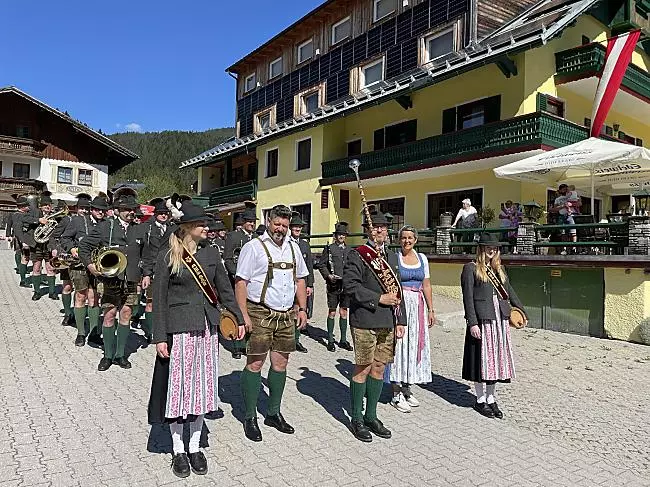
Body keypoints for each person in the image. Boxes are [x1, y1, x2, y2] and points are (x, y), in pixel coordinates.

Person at [148, 203, 244, 479]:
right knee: (179, 391)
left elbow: (225, 291)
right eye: (202, 224)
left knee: (202, 387)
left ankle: (195, 445)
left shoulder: (211, 253)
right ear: (188, 227)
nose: (207, 228)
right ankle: (178, 448)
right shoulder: (169, 255)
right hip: (179, 331)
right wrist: (159, 336)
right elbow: (159, 299)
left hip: (207, 330)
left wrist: (237, 319)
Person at [235, 205, 309, 442]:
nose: (281, 229)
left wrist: (302, 308)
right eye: (277, 224)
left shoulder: (293, 247)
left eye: (285, 225)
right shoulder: (253, 247)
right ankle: (249, 416)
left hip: (286, 314)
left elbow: (300, 279)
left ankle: (273, 413)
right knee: (255, 363)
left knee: (281, 363)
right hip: (259, 312)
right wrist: (243, 315)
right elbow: (241, 282)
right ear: (268, 221)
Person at [343, 208, 407, 442]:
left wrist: (401, 320)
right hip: (365, 319)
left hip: (387, 321)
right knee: (363, 367)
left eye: (383, 227)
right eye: (375, 227)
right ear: (367, 231)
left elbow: (398, 290)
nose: (379, 230)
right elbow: (350, 286)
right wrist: (379, 298)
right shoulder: (357, 254)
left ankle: (371, 415)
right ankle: (357, 418)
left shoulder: (392, 257)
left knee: (379, 368)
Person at [461, 233, 527, 419]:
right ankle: (480, 399)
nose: (492, 250)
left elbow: (509, 292)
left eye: (495, 248)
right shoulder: (470, 268)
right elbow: (468, 298)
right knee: (481, 360)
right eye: (488, 247)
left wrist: (522, 312)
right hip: (483, 319)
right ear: (481, 248)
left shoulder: (499, 269)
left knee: (495, 360)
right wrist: (472, 322)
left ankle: (491, 398)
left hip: (500, 319)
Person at [79, 194, 144, 371]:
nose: (131, 212)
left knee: (126, 314)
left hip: (131, 278)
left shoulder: (139, 229)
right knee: (109, 315)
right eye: (126, 209)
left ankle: (120, 355)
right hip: (110, 279)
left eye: (132, 209)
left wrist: (146, 274)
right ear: (117, 211)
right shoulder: (105, 226)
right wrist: (90, 266)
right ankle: (107, 355)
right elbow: (84, 246)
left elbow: (146, 254)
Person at [385, 225, 435, 413]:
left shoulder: (422, 258)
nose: (407, 241)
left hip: (418, 307)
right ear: (399, 240)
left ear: (415, 240)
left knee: (413, 346)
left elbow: (426, 285)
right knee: (399, 347)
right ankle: (396, 392)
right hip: (401, 305)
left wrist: (431, 309)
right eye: (403, 238)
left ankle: (406, 387)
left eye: (410, 238)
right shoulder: (395, 258)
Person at [61, 195, 108, 347]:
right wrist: (71, 248)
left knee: (94, 297)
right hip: (79, 265)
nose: (100, 212)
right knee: (81, 295)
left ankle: (94, 333)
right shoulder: (77, 221)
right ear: (91, 209)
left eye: (103, 210)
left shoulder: (107, 224)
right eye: (97, 209)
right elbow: (65, 238)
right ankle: (81, 332)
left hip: (97, 265)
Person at [51, 195, 92, 326]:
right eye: (81, 208)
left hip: (83, 260)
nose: (84, 211)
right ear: (76, 208)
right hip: (68, 258)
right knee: (67, 287)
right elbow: (56, 236)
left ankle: (76, 312)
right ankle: (68, 313)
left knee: (81, 290)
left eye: (86, 209)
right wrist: (56, 249)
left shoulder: (92, 221)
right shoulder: (68, 220)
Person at [224, 204, 257, 358]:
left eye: (253, 222)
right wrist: (237, 274)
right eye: (249, 221)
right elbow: (228, 259)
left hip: (253, 281)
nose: (252, 224)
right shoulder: (234, 237)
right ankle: (237, 346)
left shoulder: (257, 238)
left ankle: (248, 344)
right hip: (238, 279)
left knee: (251, 312)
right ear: (243, 222)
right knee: (237, 311)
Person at [316, 221, 353, 352]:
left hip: (345, 285)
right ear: (335, 236)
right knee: (332, 311)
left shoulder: (350, 250)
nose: (341, 236)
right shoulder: (329, 248)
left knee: (344, 312)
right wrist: (328, 276)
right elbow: (321, 265)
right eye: (339, 234)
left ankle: (343, 340)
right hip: (333, 284)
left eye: (343, 234)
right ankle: (330, 340)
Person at [140, 199, 172, 343]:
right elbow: (145, 252)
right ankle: (150, 330)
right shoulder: (148, 228)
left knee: (166, 301)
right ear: (155, 214)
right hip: (152, 268)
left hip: (169, 269)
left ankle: (164, 329)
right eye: (160, 213)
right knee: (151, 302)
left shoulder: (172, 228)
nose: (164, 215)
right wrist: (146, 273)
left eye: (166, 213)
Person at [21, 193, 60, 301]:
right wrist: (39, 220)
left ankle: (52, 292)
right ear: (40, 206)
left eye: (49, 205)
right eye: (45, 204)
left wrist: (54, 247)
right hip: (36, 245)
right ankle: (37, 292)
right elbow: (24, 218)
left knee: (50, 268)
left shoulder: (54, 216)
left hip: (48, 246)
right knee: (36, 268)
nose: (47, 206)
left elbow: (55, 233)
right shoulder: (35, 212)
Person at [288, 212, 314, 353]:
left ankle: (296, 340)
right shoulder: (286, 243)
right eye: (295, 226)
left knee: (298, 309)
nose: (298, 229)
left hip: (301, 283)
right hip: (288, 281)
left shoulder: (304, 244)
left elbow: (309, 265)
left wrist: (310, 284)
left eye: (300, 227)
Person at [7, 196, 33, 288]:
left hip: (26, 238)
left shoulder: (28, 214)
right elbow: (9, 225)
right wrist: (9, 235)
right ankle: (21, 272)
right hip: (19, 237)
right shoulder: (14, 214)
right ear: (22, 206)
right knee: (20, 254)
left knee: (26, 257)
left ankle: (22, 270)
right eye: (27, 205)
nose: (29, 207)